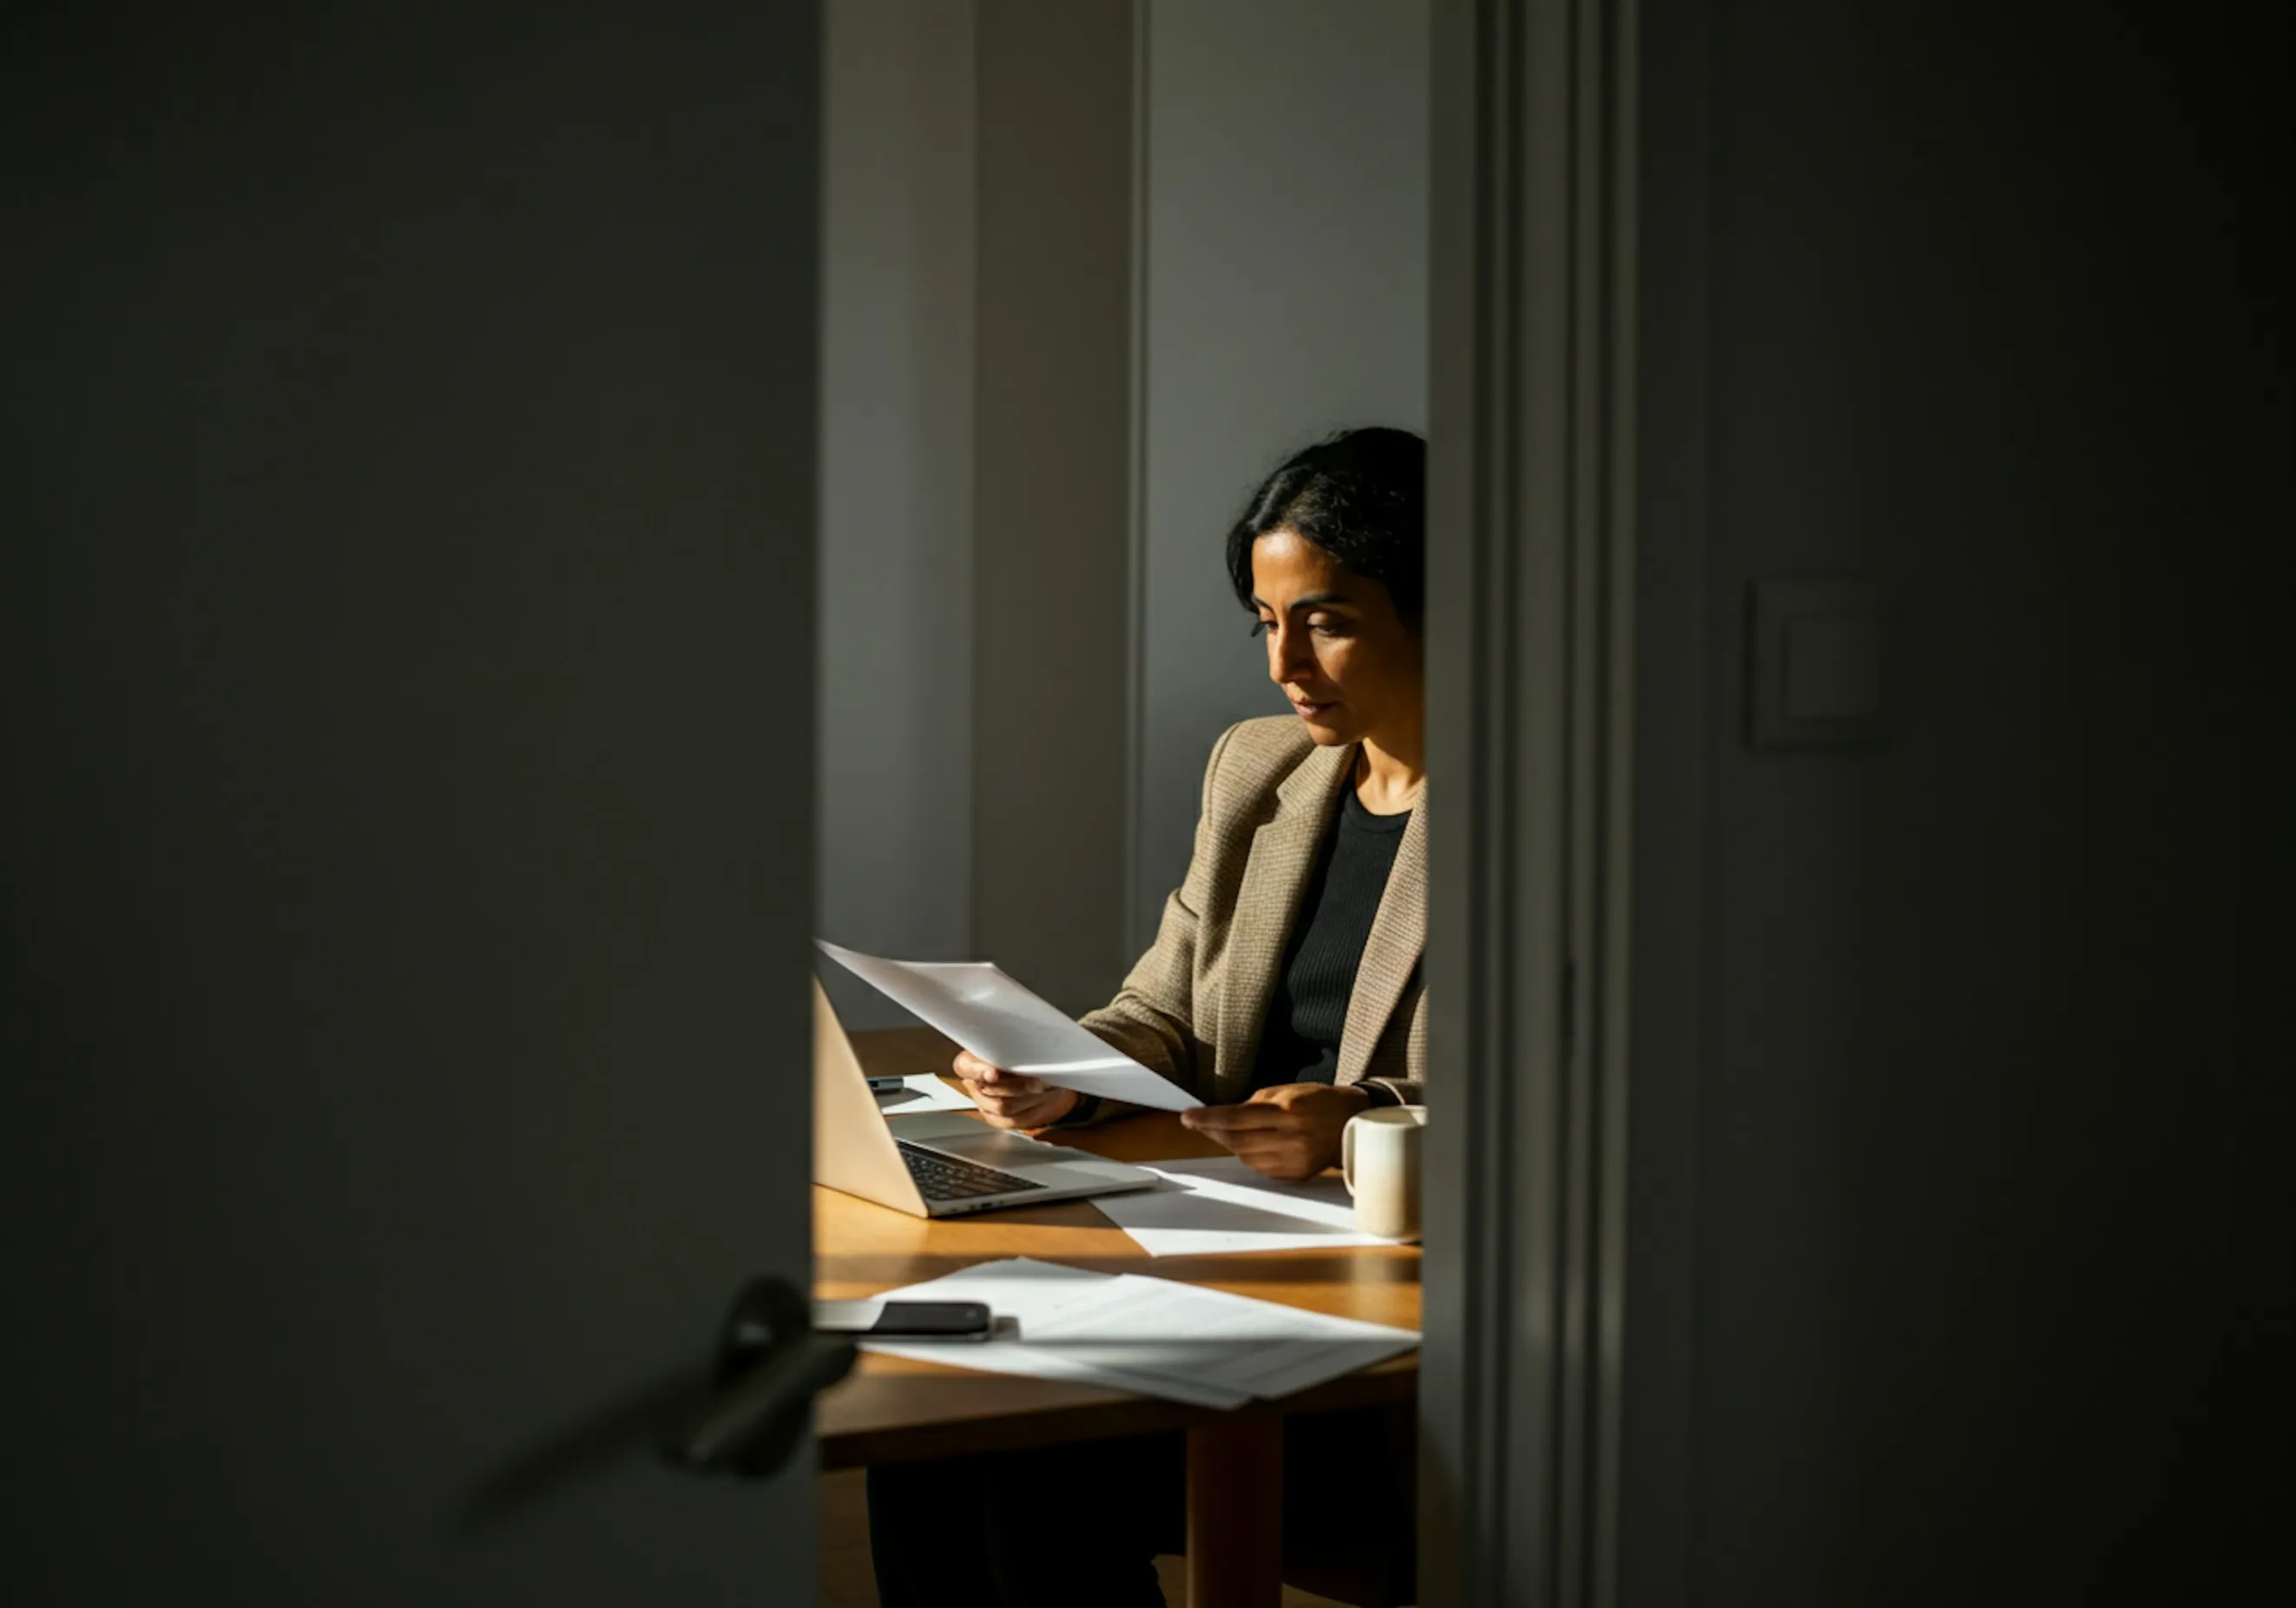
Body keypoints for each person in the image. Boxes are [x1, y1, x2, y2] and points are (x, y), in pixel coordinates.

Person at [867, 426, 1425, 1608]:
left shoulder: (1566, 804)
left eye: (1325, 621)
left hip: (1379, 1313)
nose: (1285, 663)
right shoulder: (1261, 769)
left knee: (1022, 1460)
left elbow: (1588, 1102)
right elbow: (1162, 1011)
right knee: (926, 1424)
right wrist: (1065, 1070)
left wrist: (1361, 1117)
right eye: (1265, 625)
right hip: (1208, 1244)